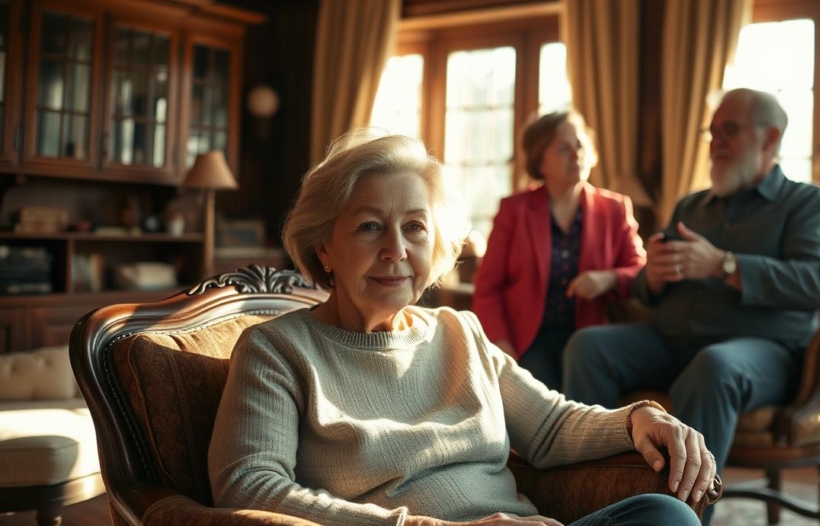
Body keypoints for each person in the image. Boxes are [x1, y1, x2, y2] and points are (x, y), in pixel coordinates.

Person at [207, 130, 716, 526]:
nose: (396, 250)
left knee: (666, 516)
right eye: (369, 226)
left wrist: (640, 418)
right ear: (324, 247)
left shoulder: (459, 332)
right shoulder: (276, 349)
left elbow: (550, 427)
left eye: (415, 226)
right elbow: (248, 485)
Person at [563, 88, 820, 488]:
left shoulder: (805, 202)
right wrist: (653, 277)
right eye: (712, 132)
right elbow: (645, 286)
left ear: (771, 138)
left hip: (760, 350)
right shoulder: (690, 206)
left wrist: (724, 265)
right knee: (588, 348)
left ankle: (681, 515)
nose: (717, 142)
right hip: (671, 341)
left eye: (730, 130)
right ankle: (593, 491)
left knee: (713, 367)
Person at [472, 111, 646, 390]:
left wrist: (608, 278)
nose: (576, 155)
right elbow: (487, 289)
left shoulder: (615, 208)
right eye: (564, 148)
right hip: (528, 340)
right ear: (541, 162)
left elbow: (640, 271)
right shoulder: (514, 211)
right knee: (542, 411)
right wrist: (501, 346)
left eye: (579, 145)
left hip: (589, 339)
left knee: (589, 407)